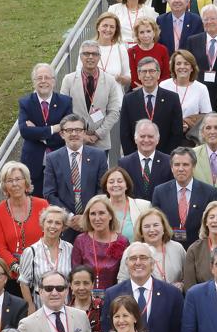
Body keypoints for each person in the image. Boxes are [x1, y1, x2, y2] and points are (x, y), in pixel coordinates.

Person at [42, 114, 108, 243]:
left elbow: (102, 190)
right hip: (65, 225)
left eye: (78, 130)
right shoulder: (52, 159)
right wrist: (69, 217)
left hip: (92, 223)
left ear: (84, 133)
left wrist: (87, 216)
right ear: (62, 134)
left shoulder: (99, 156)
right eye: (69, 130)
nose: (74, 134)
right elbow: (49, 193)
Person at [17, 63, 73, 203]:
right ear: (34, 82)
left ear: (54, 81)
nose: (43, 81)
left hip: (58, 162)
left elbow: (67, 131)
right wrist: (53, 129)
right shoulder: (26, 103)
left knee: (58, 203)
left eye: (47, 77)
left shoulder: (65, 102)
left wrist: (37, 133)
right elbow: (24, 131)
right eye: (39, 78)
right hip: (33, 164)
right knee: (34, 203)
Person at [0, 163, 49, 294]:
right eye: (9, 181)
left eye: (18, 179)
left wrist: (35, 267)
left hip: (41, 271)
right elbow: (0, 247)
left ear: (26, 182)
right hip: (13, 276)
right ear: (5, 186)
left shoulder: (43, 205)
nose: (14, 184)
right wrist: (18, 268)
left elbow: (49, 238)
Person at [64, 39, 125, 157]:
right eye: (86, 53)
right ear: (80, 57)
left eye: (94, 54)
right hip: (75, 141)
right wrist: (80, 135)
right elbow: (64, 111)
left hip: (100, 142)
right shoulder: (68, 80)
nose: (90, 57)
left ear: (99, 57)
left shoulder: (110, 80)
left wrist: (97, 134)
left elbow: (114, 112)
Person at [150, 147, 217, 246]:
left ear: (193, 167)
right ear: (171, 167)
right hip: (168, 247)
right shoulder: (160, 192)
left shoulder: (209, 192)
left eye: (185, 165)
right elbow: (156, 222)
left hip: (199, 248)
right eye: (177, 165)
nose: (181, 169)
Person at [120, 57, 186, 155]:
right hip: (137, 158)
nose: (148, 75)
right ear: (138, 75)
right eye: (144, 71)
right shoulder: (129, 100)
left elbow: (177, 133)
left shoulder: (172, 98)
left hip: (165, 158)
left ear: (158, 74)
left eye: (152, 71)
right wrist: (134, 158)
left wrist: (167, 158)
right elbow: (125, 134)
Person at [14, 206, 74, 311]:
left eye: (58, 223)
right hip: (40, 309)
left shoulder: (70, 248)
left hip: (66, 308)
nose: (53, 226)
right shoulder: (30, 251)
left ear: (63, 227)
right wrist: (30, 307)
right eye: (49, 222)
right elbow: (24, 283)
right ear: (43, 224)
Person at [70, 196, 131, 292]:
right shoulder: (81, 240)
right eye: (93, 214)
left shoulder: (122, 242)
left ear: (110, 215)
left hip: (114, 300)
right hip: (85, 298)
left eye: (101, 213)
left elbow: (126, 277)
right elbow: (75, 276)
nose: (97, 218)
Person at [117, 209, 188, 286]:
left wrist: (182, 285)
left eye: (156, 225)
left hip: (174, 296)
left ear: (164, 228)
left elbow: (188, 276)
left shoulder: (177, 248)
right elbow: (122, 281)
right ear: (141, 231)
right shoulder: (131, 251)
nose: (152, 230)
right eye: (146, 226)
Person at [118, 120, 174, 201]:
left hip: (160, 211)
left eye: (150, 136)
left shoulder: (169, 162)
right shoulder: (124, 163)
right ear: (135, 139)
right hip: (134, 211)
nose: (146, 140)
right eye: (142, 136)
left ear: (157, 139)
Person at [102, 167, 151, 243]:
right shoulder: (99, 208)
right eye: (111, 182)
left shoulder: (144, 206)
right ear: (106, 187)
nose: (115, 184)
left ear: (126, 185)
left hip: (136, 253)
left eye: (120, 181)